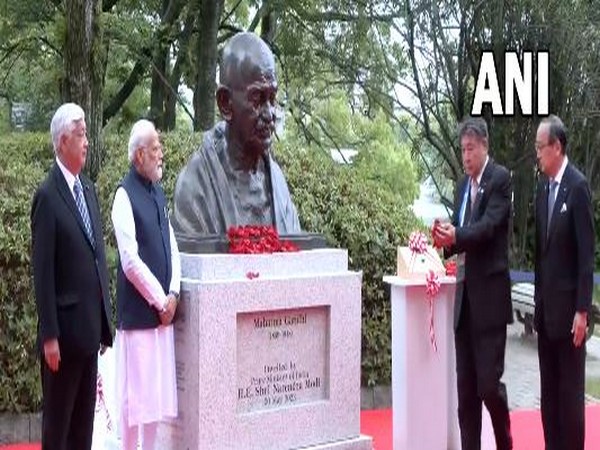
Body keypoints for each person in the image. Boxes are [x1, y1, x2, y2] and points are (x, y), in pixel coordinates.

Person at [31, 103, 113, 450]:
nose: (86, 142)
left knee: (83, 429)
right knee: (59, 429)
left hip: (89, 333)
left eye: (86, 135)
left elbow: (97, 259)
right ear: (62, 141)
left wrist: (105, 324)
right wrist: (49, 335)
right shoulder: (47, 196)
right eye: (80, 135)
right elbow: (43, 271)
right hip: (62, 340)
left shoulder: (89, 190)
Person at [433, 117, 513, 450]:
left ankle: (505, 442)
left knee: (487, 387)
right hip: (464, 302)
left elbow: (487, 227)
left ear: (484, 146)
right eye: (462, 150)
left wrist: (458, 234)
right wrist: (442, 238)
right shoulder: (463, 186)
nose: (465, 157)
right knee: (465, 393)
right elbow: (461, 230)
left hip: (490, 301)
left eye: (469, 149)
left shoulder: (500, 179)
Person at [172, 31, 300, 236]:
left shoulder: (278, 184)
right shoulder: (196, 188)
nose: (269, 115)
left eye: (272, 98)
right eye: (257, 98)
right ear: (225, 103)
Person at [111, 119, 180, 450]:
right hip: (139, 316)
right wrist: (160, 300)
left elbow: (171, 244)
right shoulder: (124, 196)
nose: (160, 154)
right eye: (155, 148)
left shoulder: (158, 192)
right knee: (132, 402)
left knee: (153, 401)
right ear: (139, 155)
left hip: (161, 315)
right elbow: (130, 261)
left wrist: (175, 292)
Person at [533, 115, 594, 450]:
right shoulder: (543, 190)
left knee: (570, 400)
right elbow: (541, 255)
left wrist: (582, 311)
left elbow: (586, 256)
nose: (538, 154)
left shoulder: (578, 186)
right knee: (549, 398)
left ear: (557, 147)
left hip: (571, 318)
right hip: (546, 314)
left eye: (541, 147)